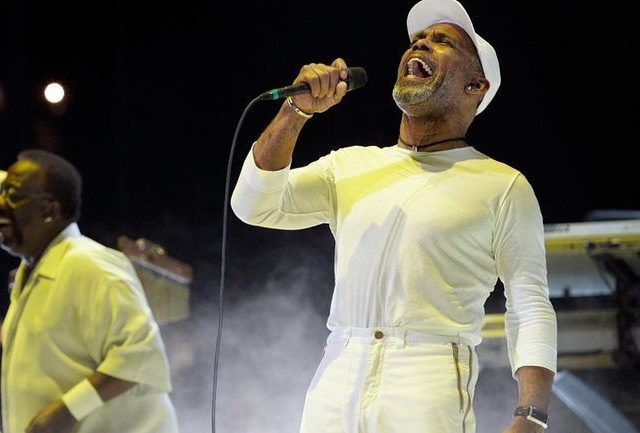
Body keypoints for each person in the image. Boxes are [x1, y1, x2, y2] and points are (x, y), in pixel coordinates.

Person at [230, 0, 557, 432]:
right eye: (419, 39)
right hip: (338, 371)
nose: (421, 43)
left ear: (475, 85)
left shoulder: (502, 185)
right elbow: (253, 205)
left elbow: (529, 304)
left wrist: (531, 416)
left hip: (428, 375)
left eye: (443, 42)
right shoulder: (350, 165)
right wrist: (296, 112)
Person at [0, 149, 179, 433]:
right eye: (0, 192)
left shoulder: (90, 265)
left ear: (50, 210)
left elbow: (141, 353)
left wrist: (67, 411)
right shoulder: (30, 271)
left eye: (13, 195)